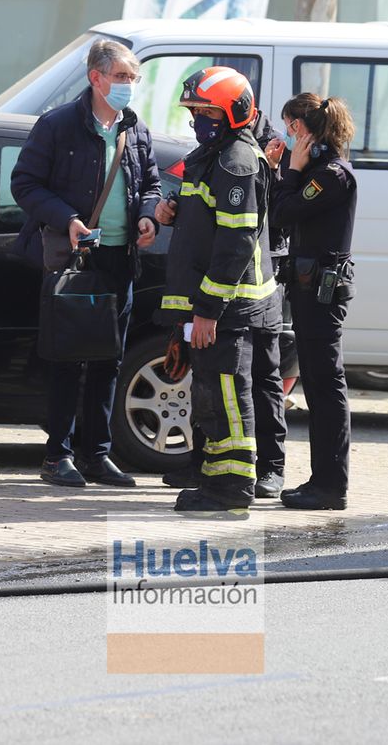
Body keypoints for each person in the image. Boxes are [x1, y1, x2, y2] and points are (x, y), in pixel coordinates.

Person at [12, 40, 162, 489]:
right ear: (95, 78)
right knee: (66, 357)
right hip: (75, 260)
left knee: (108, 359)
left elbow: (150, 180)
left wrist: (148, 215)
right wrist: (69, 219)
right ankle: (57, 455)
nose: (128, 87)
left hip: (120, 259)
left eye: (133, 79)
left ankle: (96, 455)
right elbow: (25, 184)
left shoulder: (134, 128)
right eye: (120, 78)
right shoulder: (58, 125)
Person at [152, 66, 282, 512]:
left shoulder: (236, 162)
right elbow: (207, 223)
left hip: (227, 308)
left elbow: (236, 242)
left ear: (232, 112)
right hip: (213, 306)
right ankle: (214, 482)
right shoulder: (212, 155)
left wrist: (207, 309)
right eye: (193, 110)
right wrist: (174, 209)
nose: (196, 119)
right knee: (211, 393)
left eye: (204, 110)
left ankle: (230, 489)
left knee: (227, 394)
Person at [268, 94, 358, 511]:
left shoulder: (331, 175)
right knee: (320, 386)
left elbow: (284, 212)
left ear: (303, 129)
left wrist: (292, 170)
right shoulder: (320, 171)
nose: (288, 135)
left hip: (321, 292)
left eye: (290, 127)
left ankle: (329, 485)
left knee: (325, 387)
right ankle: (323, 482)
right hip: (308, 288)